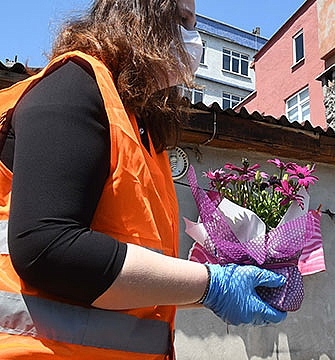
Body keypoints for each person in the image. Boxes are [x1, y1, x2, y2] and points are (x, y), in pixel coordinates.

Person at [0, 0, 286, 358]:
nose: (194, 39)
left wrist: (219, 286)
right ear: (140, 16)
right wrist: (211, 284)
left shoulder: (144, 135)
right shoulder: (73, 87)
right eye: (183, 19)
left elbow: (123, 281)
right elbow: (46, 247)